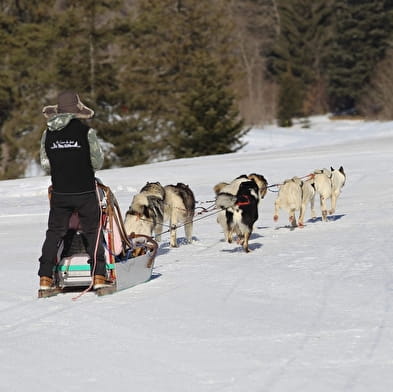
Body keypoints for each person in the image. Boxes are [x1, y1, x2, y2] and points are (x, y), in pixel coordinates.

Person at [38, 91, 108, 291]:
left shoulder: (47, 134)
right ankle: (99, 276)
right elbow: (97, 161)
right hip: (85, 191)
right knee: (93, 232)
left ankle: (45, 278)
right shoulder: (87, 132)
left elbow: (46, 165)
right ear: (77, 110)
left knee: (54, 233)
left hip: (60, 193)